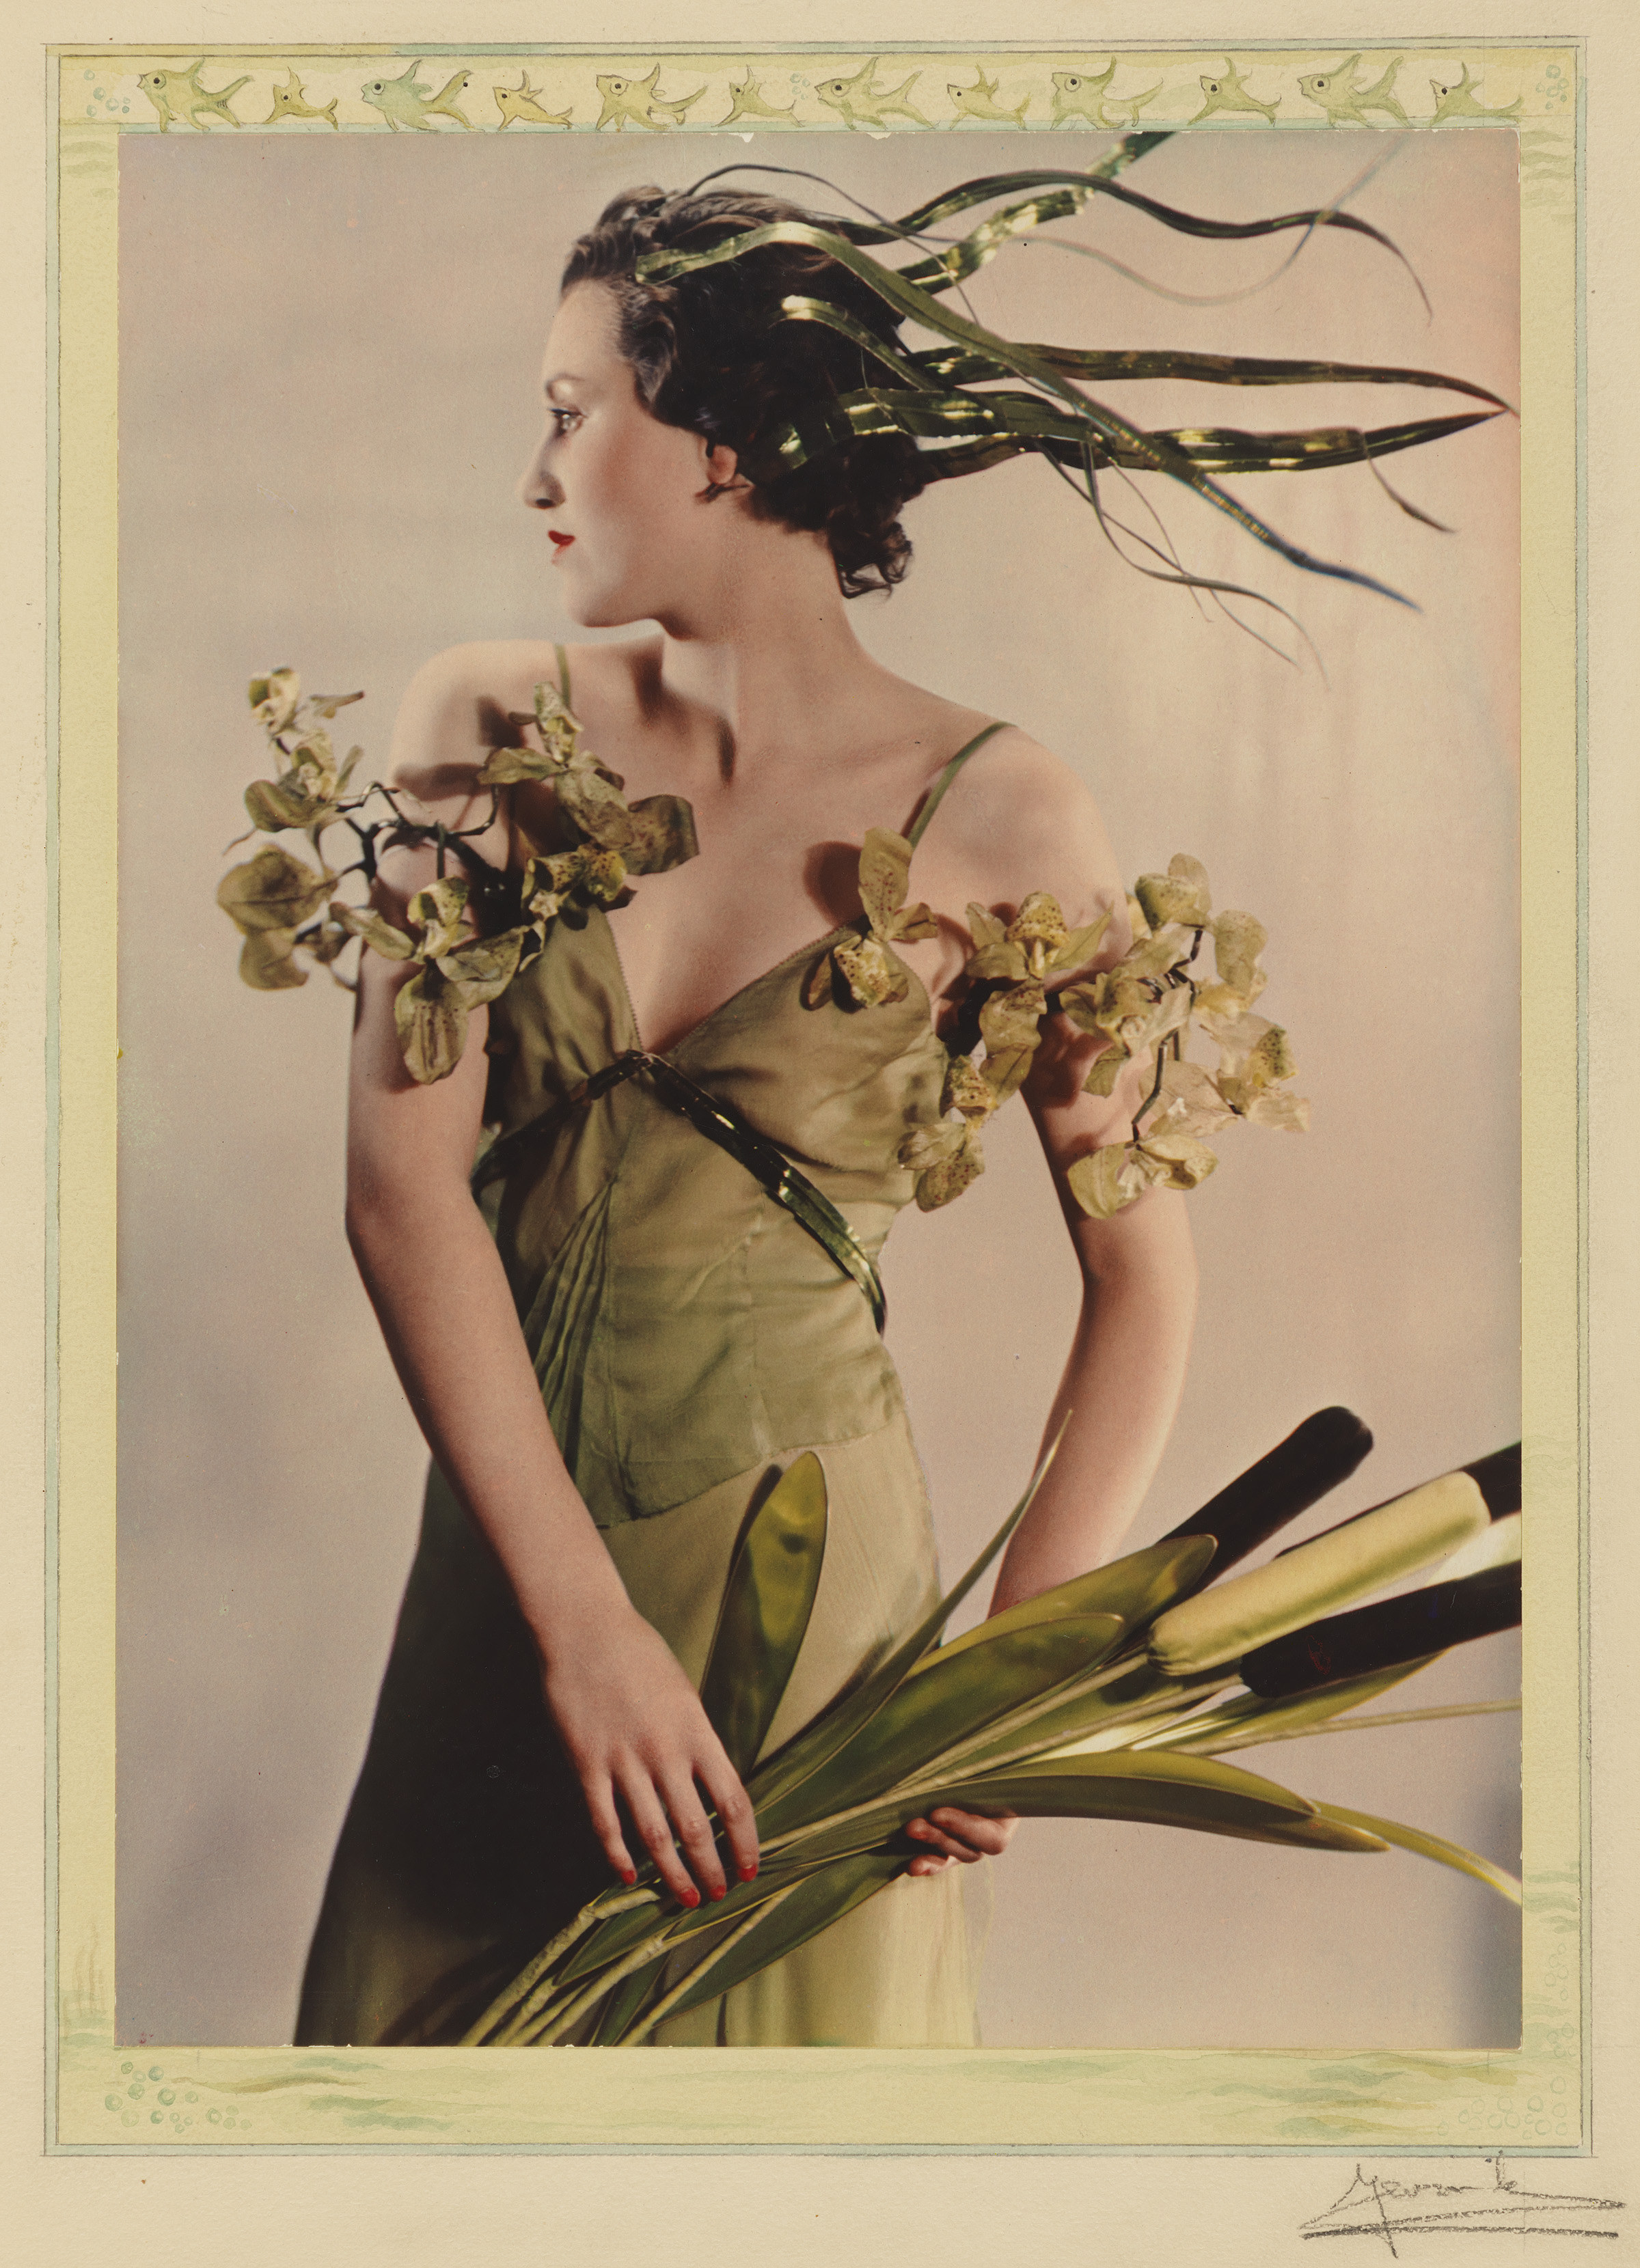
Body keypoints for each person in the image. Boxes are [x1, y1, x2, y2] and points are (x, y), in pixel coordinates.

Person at [289, 166, 1468, 2050]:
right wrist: (577, 1630)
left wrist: (1019, 1657)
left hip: (813, 1625)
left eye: (570, 414)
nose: (533, 475)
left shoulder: (1005, 818)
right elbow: (398, 1198)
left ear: (730, 447)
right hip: (510, 1586)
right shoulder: (480, 731)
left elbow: (1143, 1277)